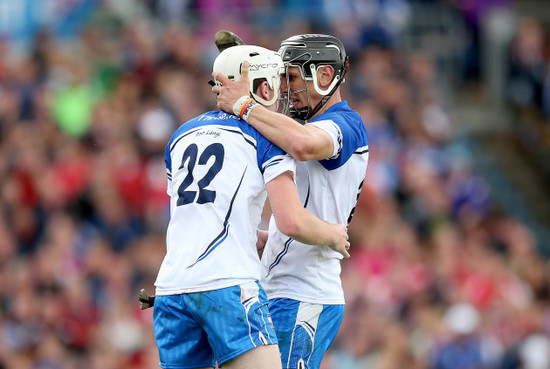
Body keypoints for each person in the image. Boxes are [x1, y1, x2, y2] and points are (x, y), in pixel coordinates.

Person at [152, 44, 351, 369]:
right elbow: (291, 221)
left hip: (171, 289)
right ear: (260, 85)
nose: (280, 93)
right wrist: (332, 235)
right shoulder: (266, 138)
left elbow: (201, 211)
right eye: (274, 82)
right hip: (229, 285)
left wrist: (250, 234)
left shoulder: (180, 135)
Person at [212, 34, 369, 369]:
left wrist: (244, 104)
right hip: (278, 289)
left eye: (292, 77)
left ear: (325, 76)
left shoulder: (346, 124)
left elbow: (303, 145)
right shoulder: (301, 125)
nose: (284, 88)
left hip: (304, 292)